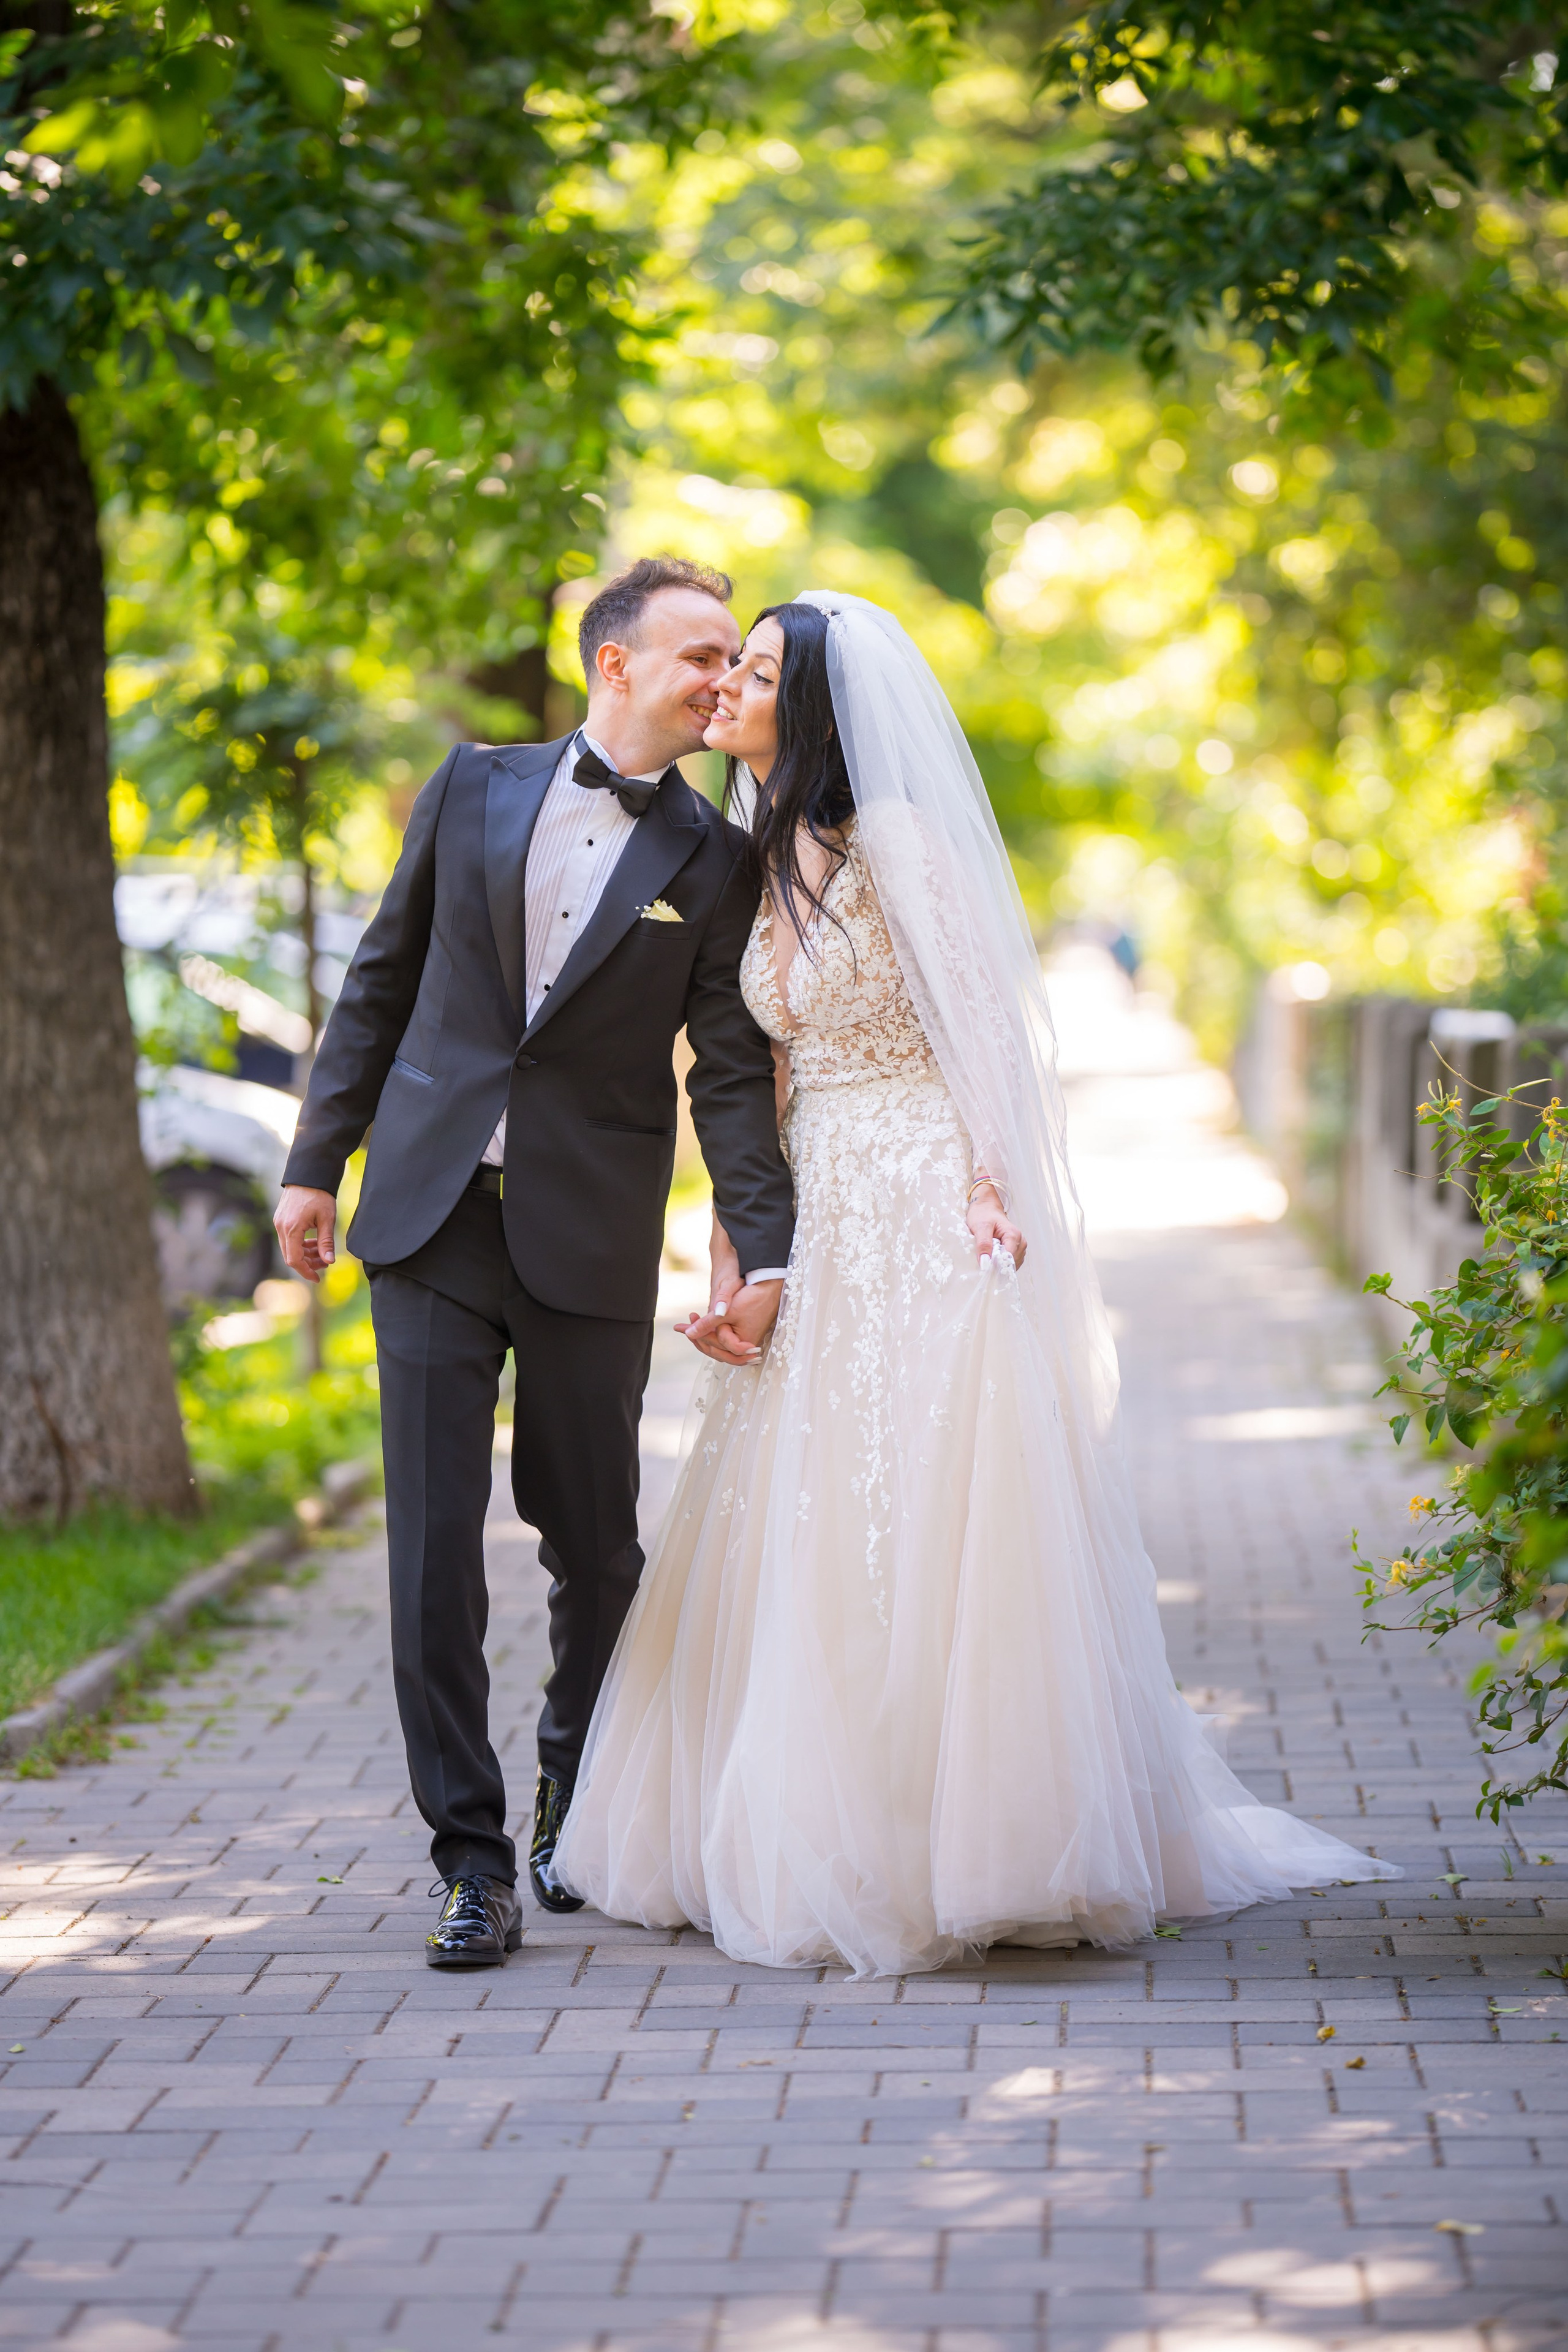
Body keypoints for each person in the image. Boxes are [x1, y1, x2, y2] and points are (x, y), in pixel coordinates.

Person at [554, 592, 1401, 1978]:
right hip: (818, 1197)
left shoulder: (893, 842)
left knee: (933, 1495)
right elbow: (752, 1078)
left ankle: (971, 1838)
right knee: (803, 1501)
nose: (723, 689)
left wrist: (989, 1185)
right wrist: (739, 1250)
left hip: (922, 1180)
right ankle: (807, 1818)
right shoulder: (753, 862)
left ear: (809, 706)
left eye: (753, 672)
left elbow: (984, 1028)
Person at [273, 557, 794, 1967]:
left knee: (594, 1545)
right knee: (433, 1554)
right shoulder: (472, 788)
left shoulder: (716, 858)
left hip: (588, 1232)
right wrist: (315, 1162)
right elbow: (380, 978)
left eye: (731, 660)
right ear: (611, 664)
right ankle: (469, 1859)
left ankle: (575, 1793)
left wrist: (771, 1250)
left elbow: (731, 1071)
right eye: (698, 655)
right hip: (430, 1218)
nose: (722, 680)